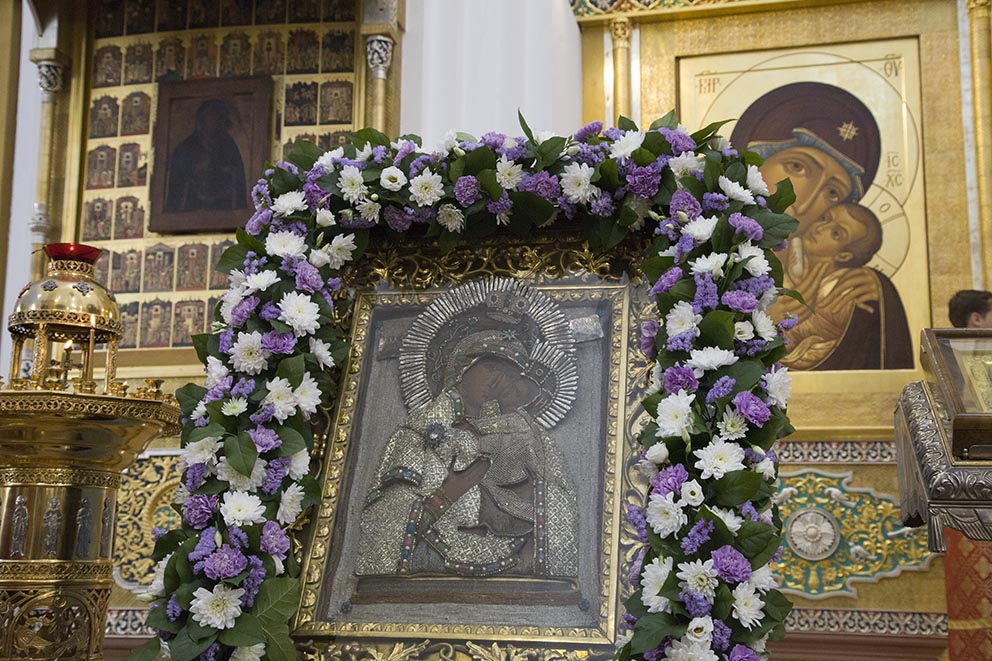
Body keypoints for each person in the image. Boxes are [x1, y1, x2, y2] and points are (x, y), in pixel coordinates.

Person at [356, 330, 578, 579]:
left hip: (515, 568)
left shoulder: (527, 434)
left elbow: (559, 495)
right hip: (428, 572)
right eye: (491, 368)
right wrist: (448, 493)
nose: (498, 382)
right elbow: (385, 524)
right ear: (463, 367)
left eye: (509, 376)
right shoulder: (418, 431)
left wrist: (532, 493)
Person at [732, 81, 912, 369]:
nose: (804, 205)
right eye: (798, 167)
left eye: (832, 193)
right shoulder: (711, 250)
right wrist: (758, 319)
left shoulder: (835, 282)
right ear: (754, 162)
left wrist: (880, 296)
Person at [778, 203, 912, 369]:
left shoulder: (845, 294)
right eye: (824, 218)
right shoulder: (785, 259)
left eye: (836, 233)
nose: (820, 228)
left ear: (844, 256)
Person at [164, 99, 247, 213]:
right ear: (201, 121)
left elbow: (237, 178)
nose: (215, 122)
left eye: (218, 118)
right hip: (191, 206)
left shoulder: (228, 145)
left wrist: (222, 171)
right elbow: (177, 184)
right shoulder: (186, 148)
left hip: (222, 205)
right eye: (211, 117)